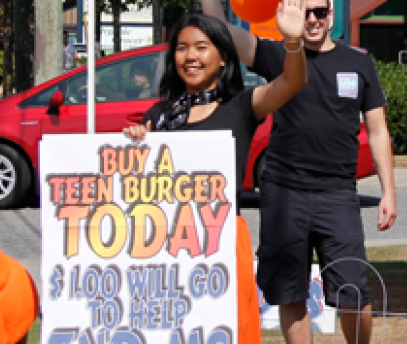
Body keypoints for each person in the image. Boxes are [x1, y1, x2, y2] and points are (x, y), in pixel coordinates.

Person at [200, 1, 398, 344]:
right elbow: (221, 32)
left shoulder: (358, 62)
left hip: (337, 193)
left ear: (332, 14)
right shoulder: (278, 55)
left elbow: (378, 131)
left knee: (353, 291)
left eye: (320, 11)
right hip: (283, 192)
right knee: (288, 291)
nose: (312, 20)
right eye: (304, 11)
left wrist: (389, 192)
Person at [121, 1, 309, 342]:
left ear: (223, 57)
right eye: (181, 48)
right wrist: (135, 140)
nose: (190, 56)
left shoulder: (242, 107)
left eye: (201, 47)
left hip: (221, 238)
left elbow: (293, 82)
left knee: (225, 327)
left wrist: (293, 42)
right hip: (165, 242)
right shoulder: (161, 114)